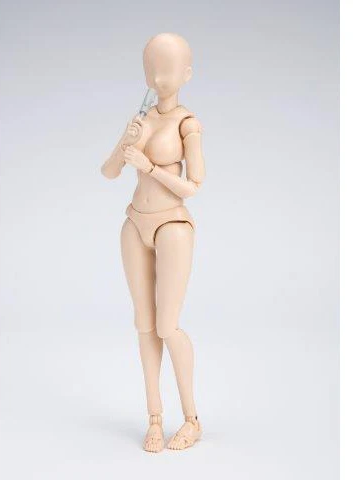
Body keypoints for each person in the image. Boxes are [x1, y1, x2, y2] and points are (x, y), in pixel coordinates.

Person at [101, 33, 205, 453]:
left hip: (172, 224)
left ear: (186, 74)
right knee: (143, 323)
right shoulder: (140, 119)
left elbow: (194, 185)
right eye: (152, 68)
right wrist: (126, 143)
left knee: (167, 325)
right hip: (135, 223)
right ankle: (155, 418)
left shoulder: (187, 123)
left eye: (167, 68)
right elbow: (109, 172)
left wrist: (149, 167)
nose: (159, 77)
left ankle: (192, 418)